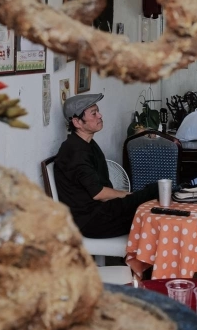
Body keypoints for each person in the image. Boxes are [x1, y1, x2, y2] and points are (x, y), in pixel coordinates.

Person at [54, 93, 158, 238]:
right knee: (154, 195)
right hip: (91, 222)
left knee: (154, 199)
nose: (100, 115)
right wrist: (128, 195)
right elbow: (99, 193)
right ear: (77, 122)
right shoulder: (74, 152)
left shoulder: (87, 144)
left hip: (101, 212)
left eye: (98, 111)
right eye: (93, 113)